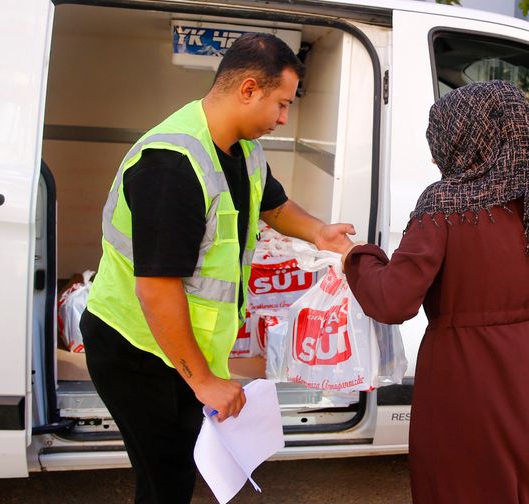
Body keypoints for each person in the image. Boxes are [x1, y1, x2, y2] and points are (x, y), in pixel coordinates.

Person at [80, 33, 355, 504]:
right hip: (136, 347)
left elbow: (272, 204)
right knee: (165, 480)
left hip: (180, 348)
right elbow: (156, 289)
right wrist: (203, 381)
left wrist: (318, 232)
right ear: (248, 89)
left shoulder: (244, 149)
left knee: (179, 470)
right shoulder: (173, 165)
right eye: (281, 104)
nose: (284, 118)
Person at [342, 81, 529, 503]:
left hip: (460, 378)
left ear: (459, 138)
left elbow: (391, 300)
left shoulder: (444, 206)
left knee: (463, 485)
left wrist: (357, 256)